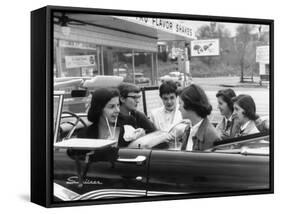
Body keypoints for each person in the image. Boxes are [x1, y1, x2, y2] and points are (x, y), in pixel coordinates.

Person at [179, 84, 221, 151]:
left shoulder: (210, 135)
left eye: (180, 103)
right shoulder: (188, 129)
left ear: (189, 104)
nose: (179, 108)